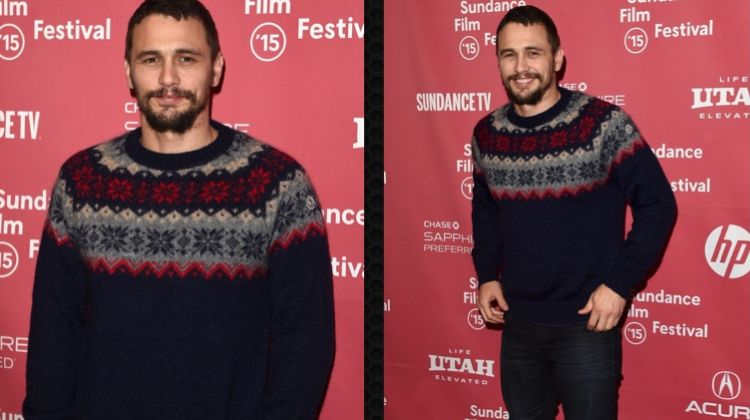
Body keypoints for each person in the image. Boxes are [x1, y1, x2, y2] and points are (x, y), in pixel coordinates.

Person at [23, 0, 334, 418]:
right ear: (129, 71)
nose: (168, 78)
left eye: (186, 58)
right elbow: (53, 335)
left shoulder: (276, 184)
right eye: (151, 59)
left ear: (216, 68)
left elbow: (306, 344)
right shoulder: (83, 180)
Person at [472, 5, 677, 419]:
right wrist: (487, 275)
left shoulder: (603, 124)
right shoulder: (487, 133)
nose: (521, 66)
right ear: (497, 61)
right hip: (519, 326)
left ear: (557, 59)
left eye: (533, 52)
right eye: (509, 54)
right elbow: (487, 210)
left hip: (586, 326)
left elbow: (658, 205)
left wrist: (619, 285)